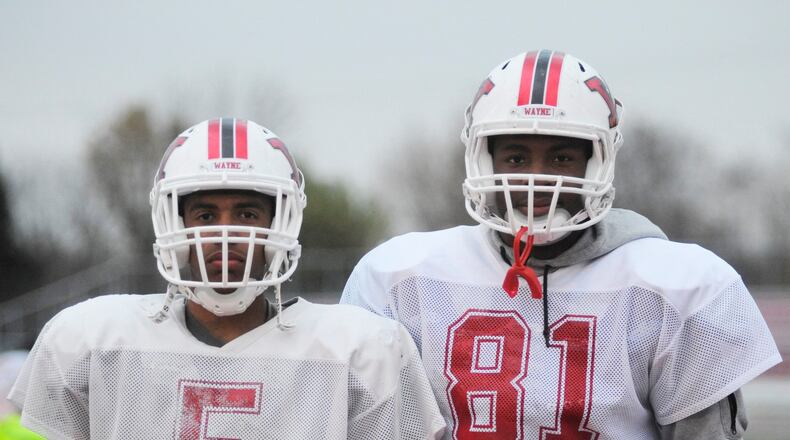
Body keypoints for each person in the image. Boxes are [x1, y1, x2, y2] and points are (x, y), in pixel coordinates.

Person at [341, 50, 782, 439]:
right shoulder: (399, 278)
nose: (538, 177)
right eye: (515, 158)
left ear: (598, 161)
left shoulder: (677, 287)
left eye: (562, 157)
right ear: (482, 159)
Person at [8, 118, 446, 439]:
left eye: (247, 214)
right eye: (204, 214)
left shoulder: (362, 351)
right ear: (172, 221)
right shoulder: (90, 340)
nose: (224, 232)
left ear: (283, 221)